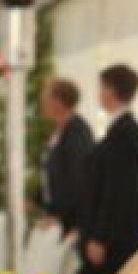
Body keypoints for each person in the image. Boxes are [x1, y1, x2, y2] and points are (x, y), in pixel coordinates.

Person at [66, 64, 138, 274]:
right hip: (105, 241)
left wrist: (101, 237)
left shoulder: (127, 134)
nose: (99, 93)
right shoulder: (120, 131)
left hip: (112, 245)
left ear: (112, 90)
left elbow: (120, 192)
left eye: (102, 87)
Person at [37, 77, 95, 237]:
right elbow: (52, 176)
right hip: (59, 218)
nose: (41, 103)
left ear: (58, 102)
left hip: (73, 223)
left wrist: (60, 216)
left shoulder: (77, 133)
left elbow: (77, 182)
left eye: (45, 98)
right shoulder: (60, 132)